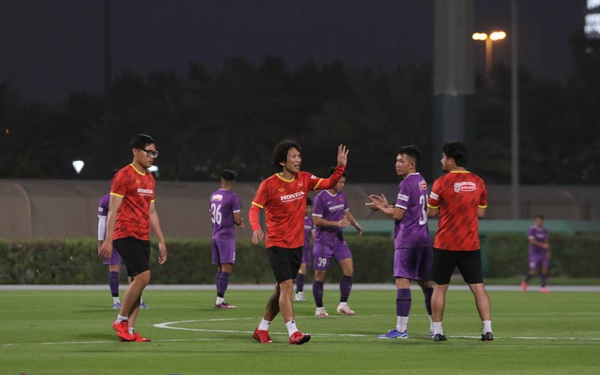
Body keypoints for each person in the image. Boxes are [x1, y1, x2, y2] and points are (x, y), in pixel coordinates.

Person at [249, 139, 349, 345]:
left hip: (297, 245)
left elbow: (329, 183)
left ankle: (262, 328)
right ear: (282, 162)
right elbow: (254, 209)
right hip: (277, 243)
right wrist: (256, 228)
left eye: (299, 156)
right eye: (293, 156)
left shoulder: (304, 179)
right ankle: (293, 332)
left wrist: (340, 166)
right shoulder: (269, 184)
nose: (298, 160)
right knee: (286, 286)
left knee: (280, 290)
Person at [99, 134, 168, 342]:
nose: (152, 156)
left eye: (154, 152)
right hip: (125, 233)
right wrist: (108, 240)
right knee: (143, 277)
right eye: (148, 152)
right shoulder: (123, 175)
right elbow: (113, 209)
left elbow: (152, 212)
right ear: (135, 151)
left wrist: (162, 240)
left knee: (137, 281)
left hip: (142, 235)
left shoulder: (149, 178)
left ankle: (128, 330)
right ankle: (120, 320)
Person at [426, 141, 493, 342]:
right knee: (478, 287)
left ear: (451, 160)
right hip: (470, 244)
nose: (441, 160)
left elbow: (430, 212)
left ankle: (437, 331)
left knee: (439, 287)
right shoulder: (479, 182)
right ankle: (487, 330)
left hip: (446, 243)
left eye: (443, 157)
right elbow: (480, 213)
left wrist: (447, 208)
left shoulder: (441, 182)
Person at [366, 145, 434, 339]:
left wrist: (381, 208)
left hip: (408, 239)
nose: (397, 164)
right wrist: (388, 206)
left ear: (411, 164)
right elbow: (409, 208)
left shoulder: (406, 183)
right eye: (396, 160)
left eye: (401, 161)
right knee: (426, 284)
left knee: (403, 281)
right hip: (423, 238)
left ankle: (401, 329)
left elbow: (398, 214)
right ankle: (434, 327)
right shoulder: (421, 181)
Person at [311, 169, 363, 317]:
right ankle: (319, 309)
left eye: (343, 182)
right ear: (332, 180)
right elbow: (316, 220)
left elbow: (346, 212)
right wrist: (336, 223)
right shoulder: (320, 197)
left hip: (338, 241)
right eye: (339, 182)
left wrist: (355, 224)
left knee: (349, 269)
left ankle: (343, 304)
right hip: (323, 242)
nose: (342, 185)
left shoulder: (341, 195)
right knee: (320, 275)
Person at [98, 169, 149, 310]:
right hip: (126, 237)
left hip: (116, 237)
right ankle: (135, 300)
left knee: (119, 269)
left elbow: (102, 222)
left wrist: (101, 242)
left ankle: (117, 302)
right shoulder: (128, 197)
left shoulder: (106, 199)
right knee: (133, 270)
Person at [210, 169, 244, 308]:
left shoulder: (213, 195)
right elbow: (236, 219)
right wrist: (240, 221)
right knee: (227, 267)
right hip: (226, 236)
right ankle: (220, 301)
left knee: (220, 268)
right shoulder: (232, 196)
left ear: (221, 181)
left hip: (215, 234)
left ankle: (219, 300)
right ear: (233, 182)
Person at [521, 214, 551, 293]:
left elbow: (546, 243)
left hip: (543, 253)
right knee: (533, 271)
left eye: (539, 221)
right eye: (536, 220)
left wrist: (548, 251)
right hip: (534, 253)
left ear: (542, 221)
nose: (538, 222)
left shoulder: (545, 231)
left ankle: (543, 287)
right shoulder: (532, 229)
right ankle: (525, 282)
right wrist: (542, 245)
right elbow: (532, 241)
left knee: (545, 268)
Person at [294, 196, 315, 302]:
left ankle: (298, 291)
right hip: (297, 248)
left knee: (303, 270)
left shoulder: (311, 220)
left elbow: (314, 235)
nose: (308, 210)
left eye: (309, 208)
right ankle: (299, 293)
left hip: (307, 249)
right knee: (301, 268)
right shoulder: (296, 218)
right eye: (306, 207)